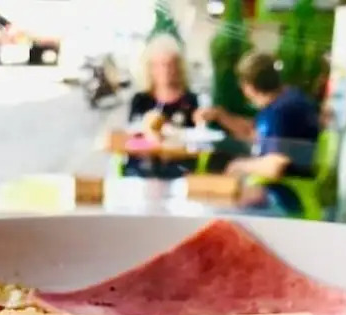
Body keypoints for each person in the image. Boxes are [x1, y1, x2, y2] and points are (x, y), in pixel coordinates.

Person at [196, 52, 320, 215]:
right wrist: (221, 116)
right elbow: (255, 134)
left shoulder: (280, 112)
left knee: (216, 210)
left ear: (248, 86)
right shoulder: (284, 101)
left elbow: (276, 165)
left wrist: (239, 165)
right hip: (287, 192)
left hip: (286, 199)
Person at [124, 34, 199, 178]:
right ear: (150, 69)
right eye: (159, 65)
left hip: (178, 166)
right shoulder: (141, 100)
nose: (165, 70)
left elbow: (194, 140)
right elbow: (132, 138)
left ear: (179, 67)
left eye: (170, 64)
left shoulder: (190, 100)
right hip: (142, 167)